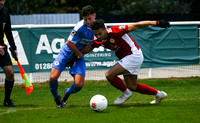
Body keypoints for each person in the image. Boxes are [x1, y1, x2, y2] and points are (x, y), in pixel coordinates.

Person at [80, 19, 169, 105]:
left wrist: (157, 23)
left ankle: (126, 93)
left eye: (100, 33)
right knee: (132, 86)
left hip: (133, 55)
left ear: (105, 29)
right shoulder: (98, 40)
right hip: (129, 58)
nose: (98, 36)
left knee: (109, 74)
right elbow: (89, 48)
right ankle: (159, 94)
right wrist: (75, 56)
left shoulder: (115, 31)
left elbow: (136, 25)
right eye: (96, 34)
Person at [49, 5, 96, 107]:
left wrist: (80, 54)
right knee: (53, 77)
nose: (88, 21)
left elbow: (94, 45)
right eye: (85, 19)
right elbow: (69, 43)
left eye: (89, 18)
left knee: (79, 85)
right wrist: (78, 54)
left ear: (94, 15)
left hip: (79, 55)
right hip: (67, 53)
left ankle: (67, 92)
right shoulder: (79, 26)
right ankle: (57, 98)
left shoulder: (98, 28)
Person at [0, 0, 18, 107]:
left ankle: (7, 100)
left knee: (10, 72)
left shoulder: (5, 11)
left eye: (3, 0)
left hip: (2, 48)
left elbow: (8, 31)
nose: (2, 2)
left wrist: (14, 48)